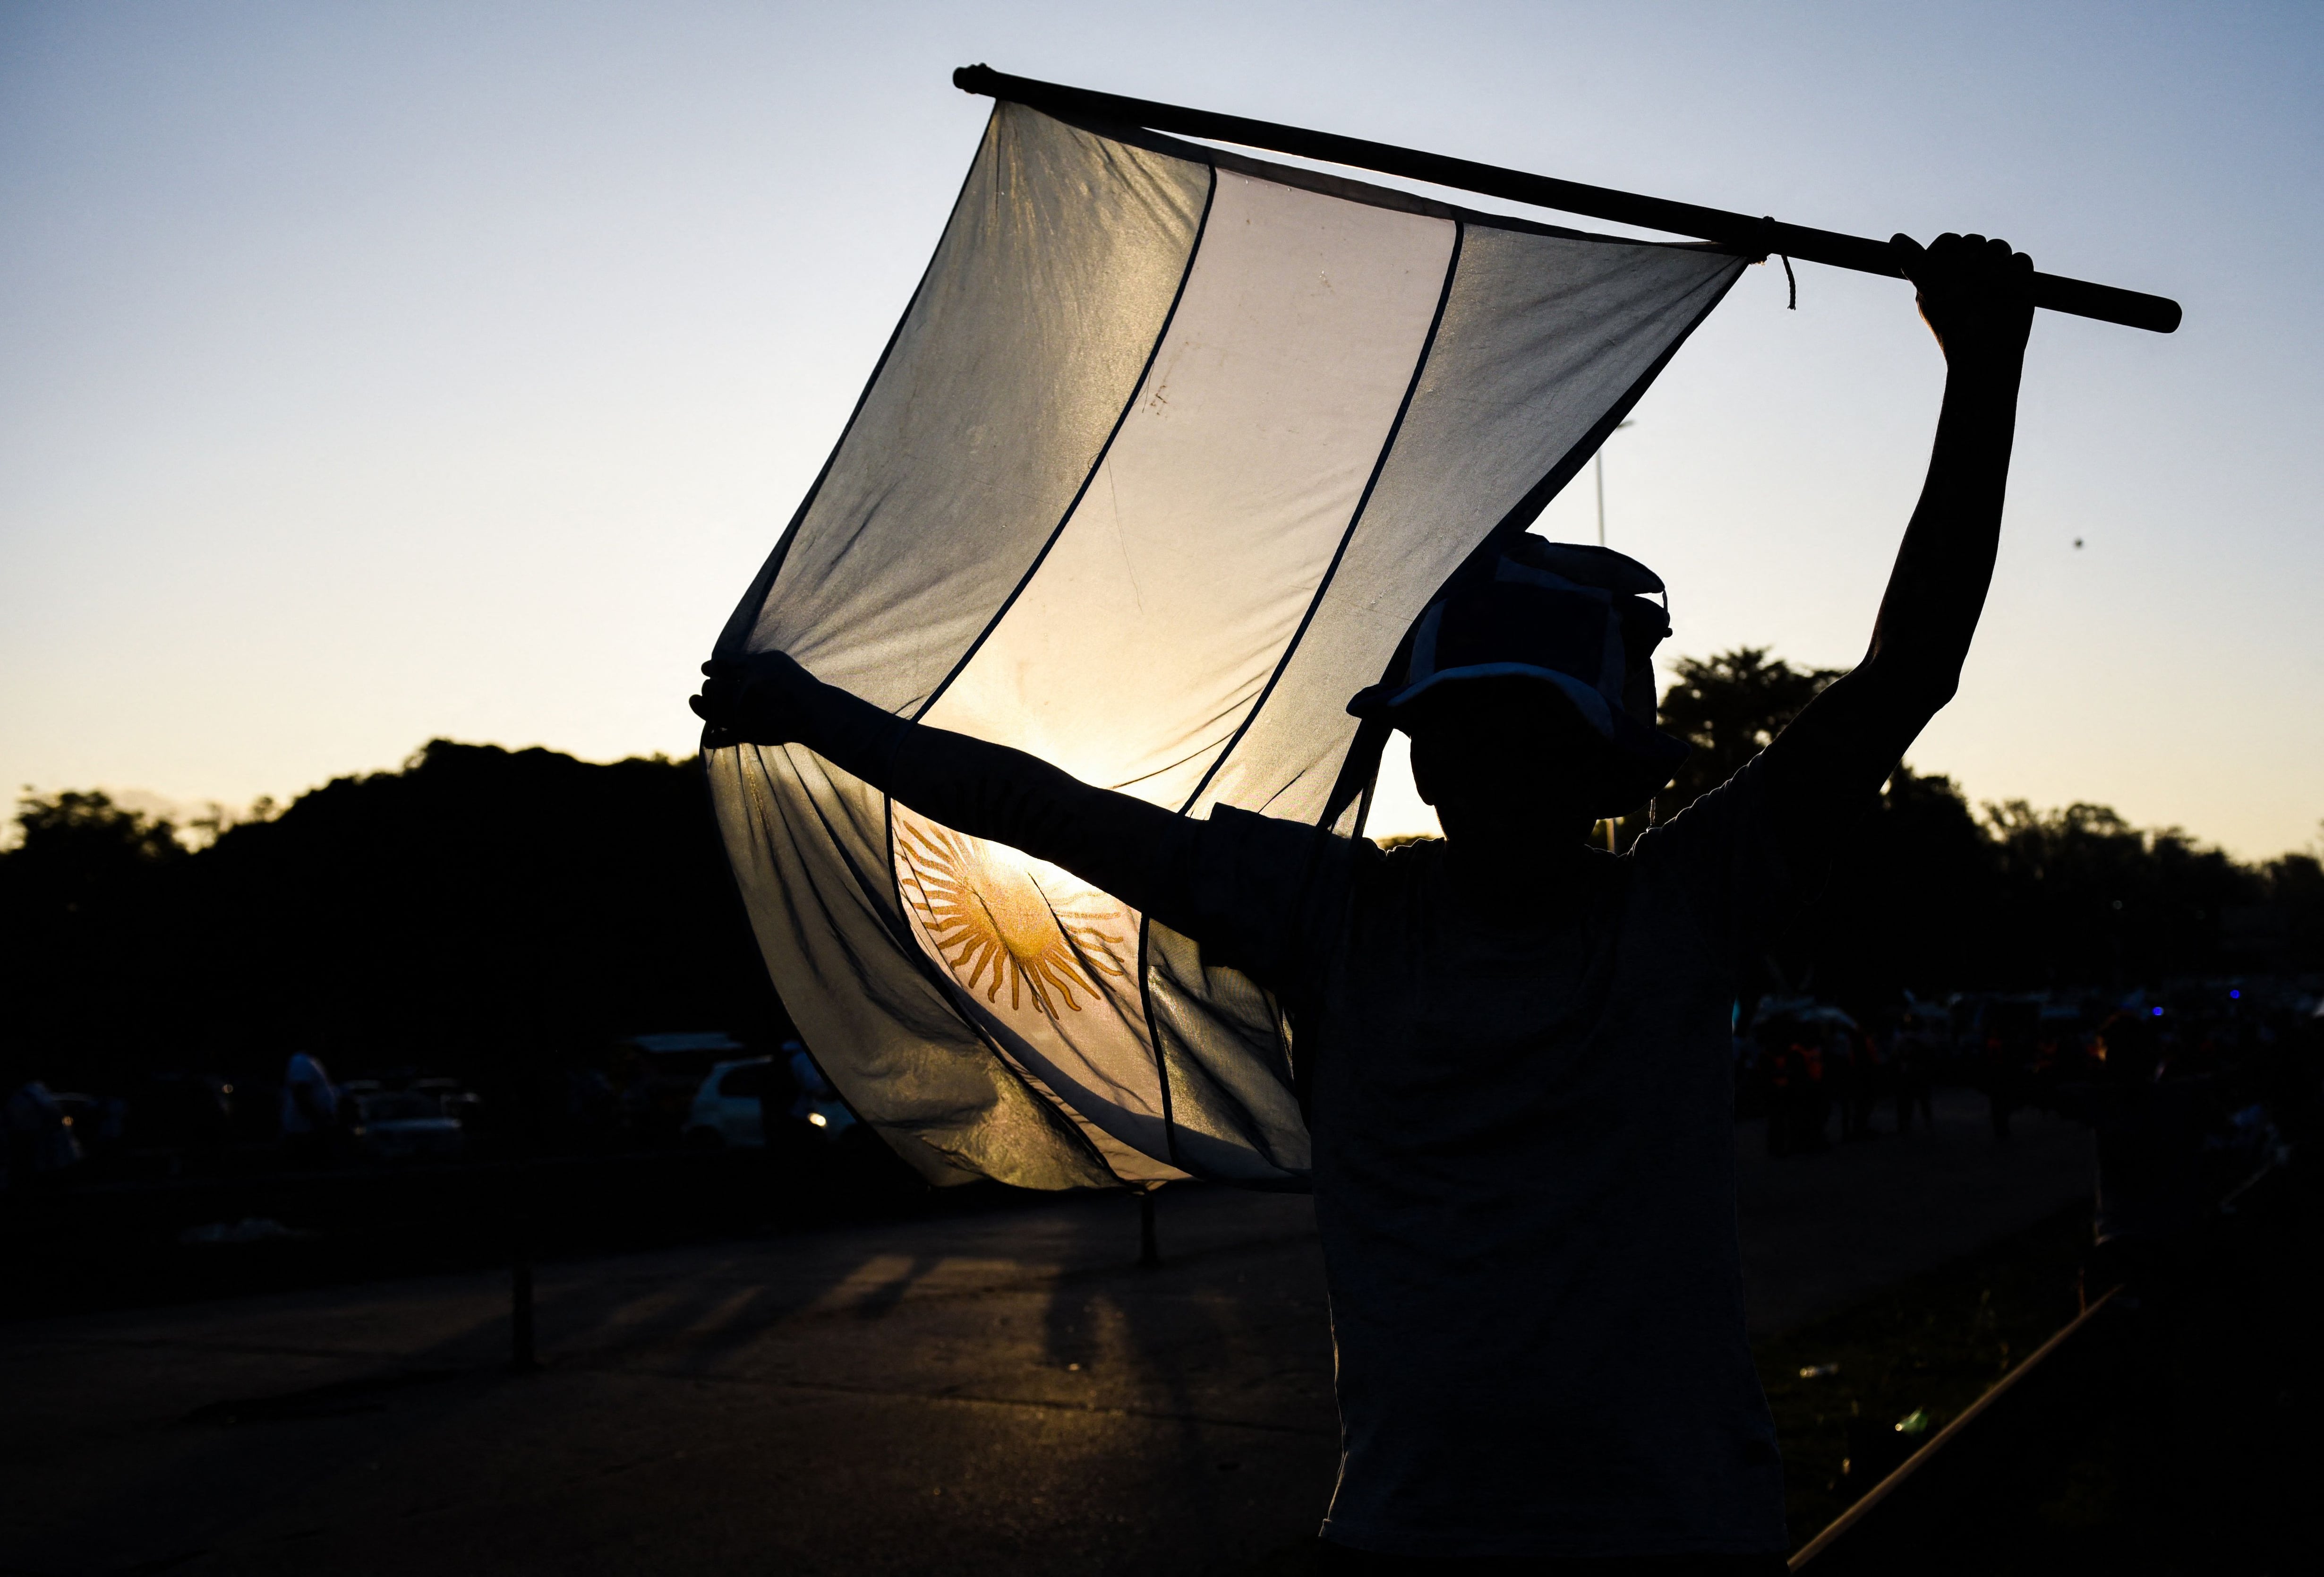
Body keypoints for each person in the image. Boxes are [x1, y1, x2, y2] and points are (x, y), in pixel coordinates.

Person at [695, 232, 2034, 1570]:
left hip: (1620, 1527)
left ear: (1585, 769)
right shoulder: (1409, 908)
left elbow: (1908, 670)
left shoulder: (1522, 907)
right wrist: (805, 709)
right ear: (1436, 758)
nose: (1495, 774)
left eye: (1526, 740)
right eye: (1478, 737)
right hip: (1486, 1524)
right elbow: (1043, 809)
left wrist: (1984, 371)